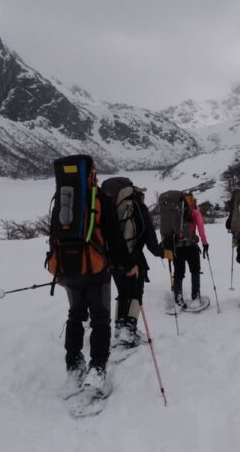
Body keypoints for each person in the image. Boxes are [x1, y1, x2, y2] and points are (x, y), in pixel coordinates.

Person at [47, 155, 130, 398]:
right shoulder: (100, 199)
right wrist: (126, 265)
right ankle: (97, 369)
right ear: (91, 174)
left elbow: (54, 236)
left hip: (69, 270)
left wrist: (59, 269)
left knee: (75, 315)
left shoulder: (61, 199)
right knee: (101, 318)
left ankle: (73, 366)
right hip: (96, 269)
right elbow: (114, 237)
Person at [102, 178, 165, 348]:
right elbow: (150, 238)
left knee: (123, 292)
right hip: (134, 258)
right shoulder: (137, 207)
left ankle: (120, 329)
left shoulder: (107, 206)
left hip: (112, 259)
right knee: (136, 294)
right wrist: (161, 252)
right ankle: (129, 331)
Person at [168, 192, 209, 309]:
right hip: (191, 246)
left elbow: (169, 230)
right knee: (195, 271)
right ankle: (195, 296)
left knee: (179, 273)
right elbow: (201, 227)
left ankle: (178, 298)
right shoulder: (195, 212)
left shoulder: (175, 212)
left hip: (178, 248)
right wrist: (205, 243)